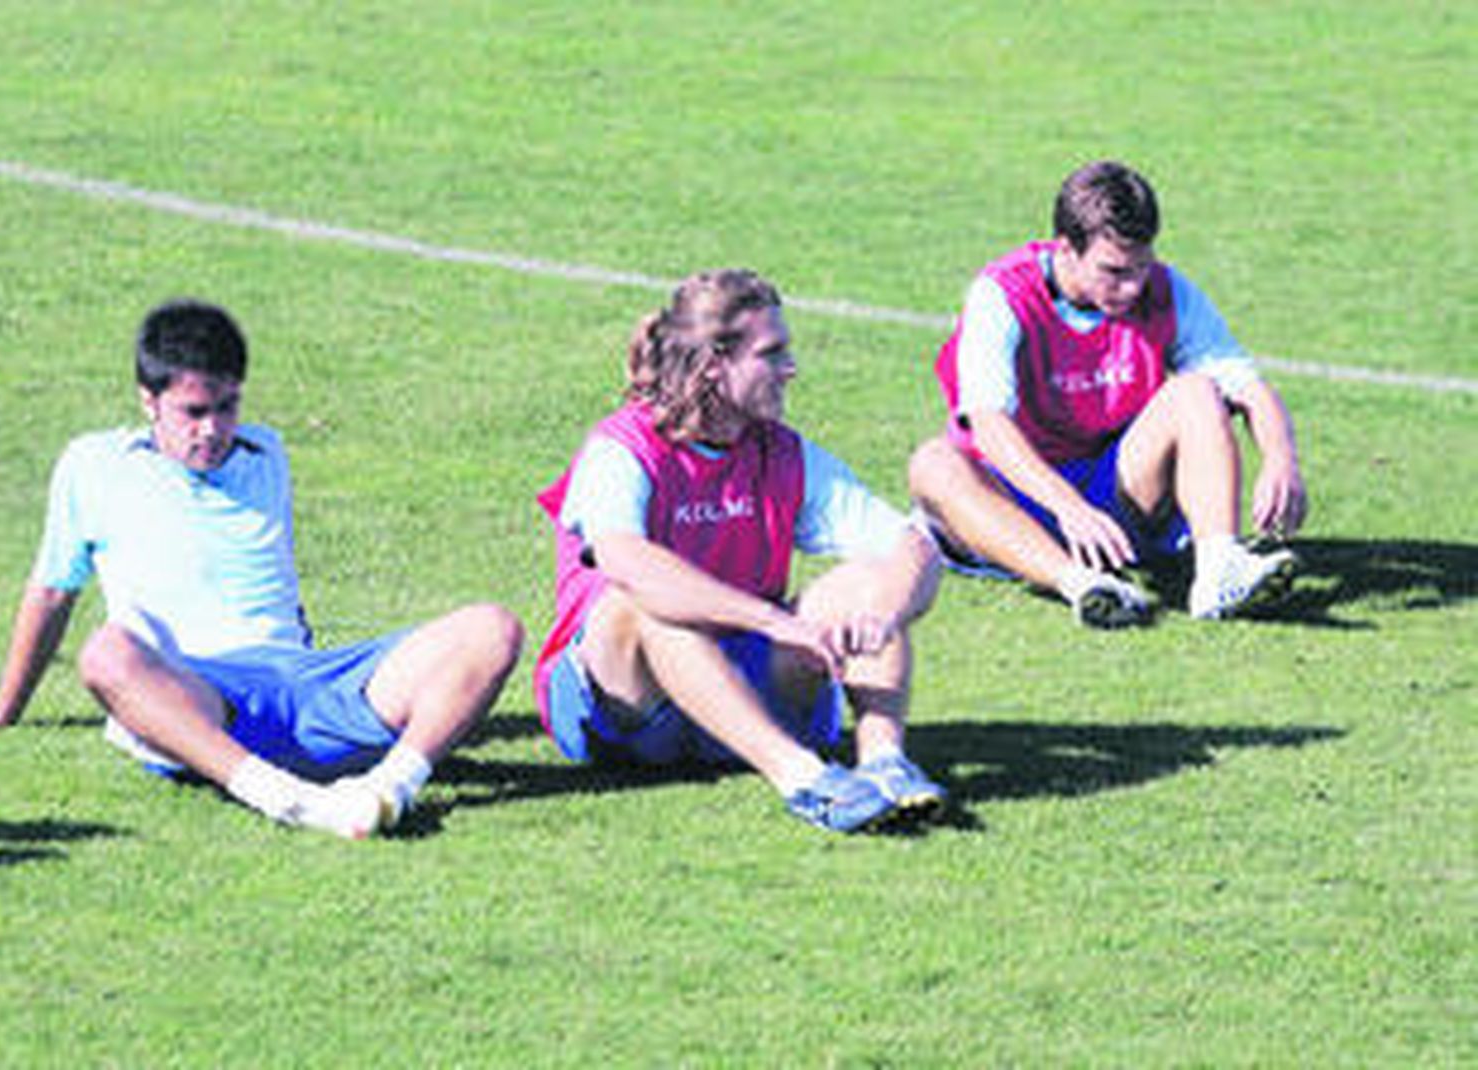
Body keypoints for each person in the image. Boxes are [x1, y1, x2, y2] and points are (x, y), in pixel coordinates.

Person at [0, 299, 522, 839]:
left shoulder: (267, 452)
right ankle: (288, 801)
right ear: (147, 401)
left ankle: (386, 790)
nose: (213, 429)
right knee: (104, 654)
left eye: (227, 406)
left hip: (308, 683)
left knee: (492, 628)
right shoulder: (92, 466)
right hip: (199, 698)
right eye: (194, 411)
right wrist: (2, 713)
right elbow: (52, 592)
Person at [534, 269, 946, 833]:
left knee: (872, 578)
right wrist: (773, 620)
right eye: (771, 354)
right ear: (713, 367)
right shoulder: (620, 449)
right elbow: (626, 559)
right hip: (630, 708)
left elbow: (913, 544)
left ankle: (883, 764)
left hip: (745, 689)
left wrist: (885, 613)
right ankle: (803, 779)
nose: (791, 368)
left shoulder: (782, 453)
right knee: (643, 603)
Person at [909, 160, 1307, 626]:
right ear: (1066, 249)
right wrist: (1069, 507)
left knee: (1196, 391)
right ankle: (1083, 585)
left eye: (1142, 267)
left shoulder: (1164, 290)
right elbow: (989, 424)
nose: (1133, 287)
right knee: (932, 464)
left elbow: (1247, 386)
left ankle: (1219, 569)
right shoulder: (1001, 296)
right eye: (1114, 271)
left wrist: (1282, 459)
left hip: (1113, 493)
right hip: (1016, 502)